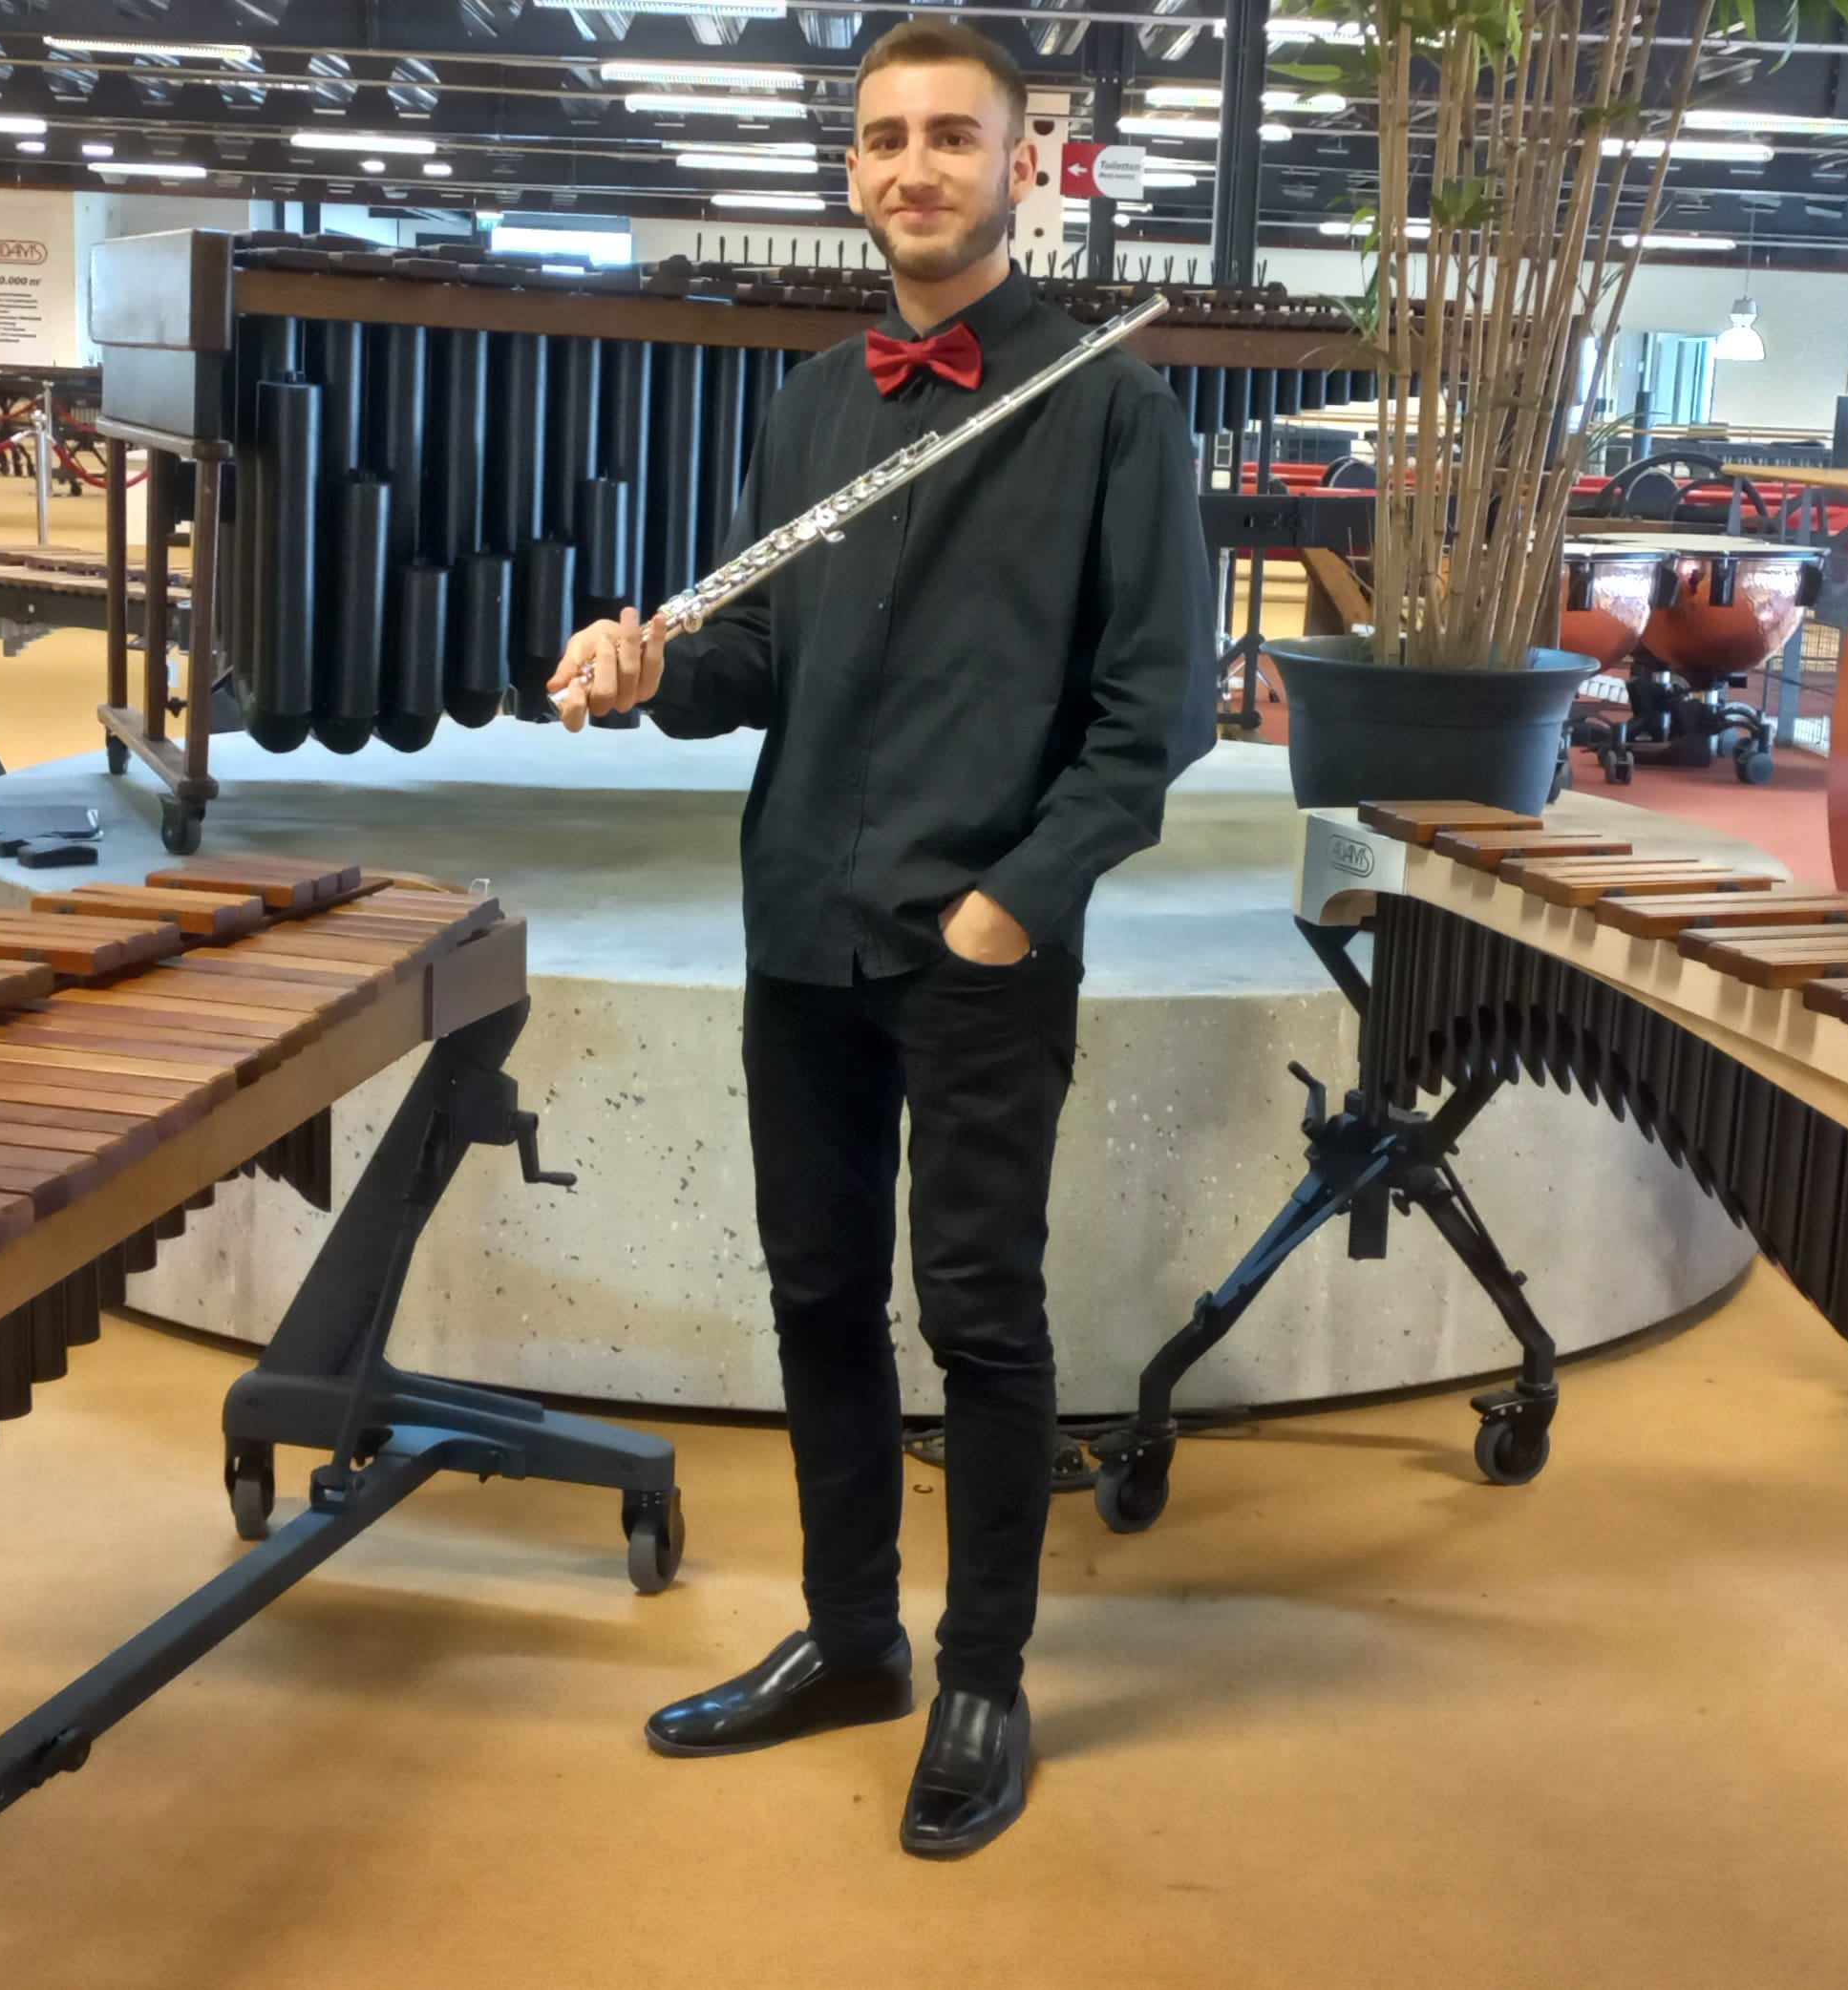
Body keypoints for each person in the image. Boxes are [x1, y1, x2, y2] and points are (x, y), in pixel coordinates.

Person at [547, 17, 1214, 1861]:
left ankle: (981, 1675)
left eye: (948, 136)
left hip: (975, 943)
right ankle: (851, 1639)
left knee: (979, 1314)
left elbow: (1154, 714)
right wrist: (655, 668)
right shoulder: (810, 404)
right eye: (881, 138)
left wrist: (1014, 901)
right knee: (817, 1295)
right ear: (850, 169)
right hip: (799, 930)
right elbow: (761, 658)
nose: (911, 167)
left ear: (1020, 162)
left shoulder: (1106, 406)